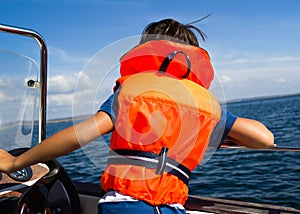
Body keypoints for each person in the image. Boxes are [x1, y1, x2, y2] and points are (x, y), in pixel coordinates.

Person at [0, 18, 274, 213]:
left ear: (147, 51)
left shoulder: (132, 90)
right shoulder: (205, 104)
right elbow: (264, 139)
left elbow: (79, 136)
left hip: (124, 204)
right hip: (172, 208)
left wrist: (17, 162)